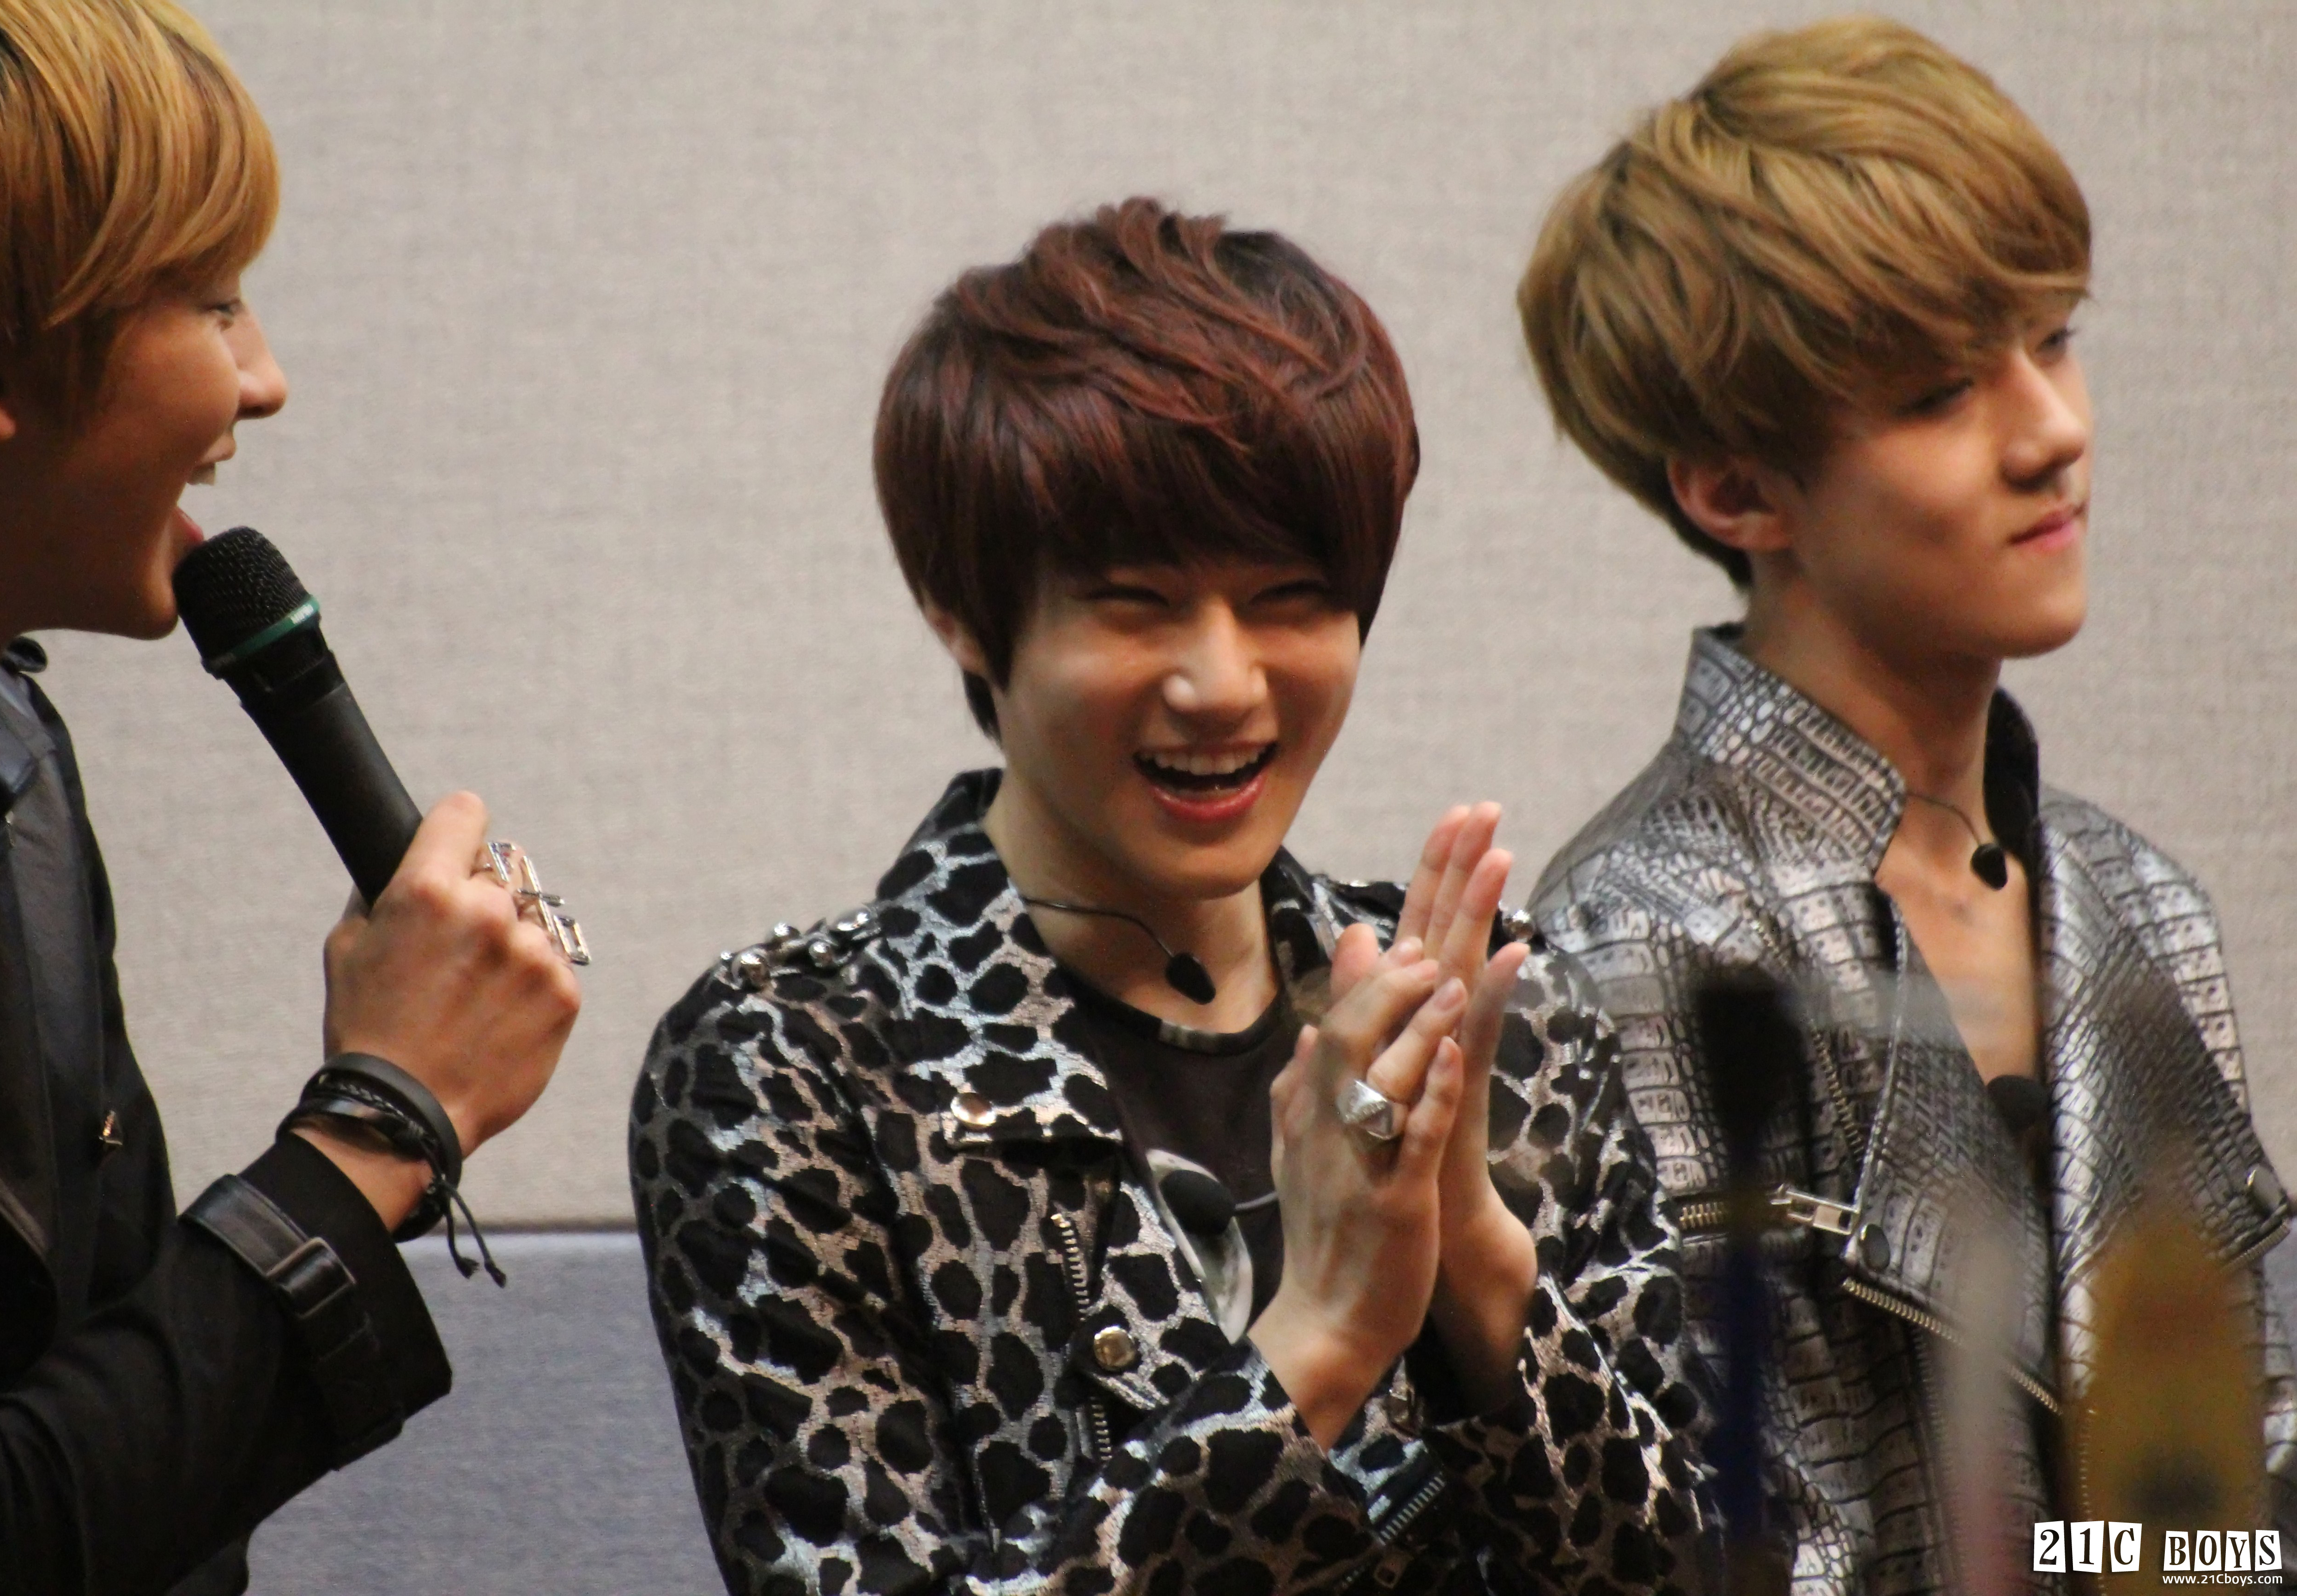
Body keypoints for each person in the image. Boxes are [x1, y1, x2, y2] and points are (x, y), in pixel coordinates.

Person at [632, 197, 1705, 1596]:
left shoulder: (1500, 1010)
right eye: (1134, 603)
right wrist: (1318, 1343)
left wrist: (1479, 1266)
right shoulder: (794, 1065)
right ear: (959, 609)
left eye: (1291, 596)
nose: (1223, 684)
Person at [1517, 15, 2294, 1591]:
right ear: (1737, 489)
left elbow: (2228, 1492)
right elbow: (1763, 1553)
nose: (2055, 431)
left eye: (2054, 339)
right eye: (1944, 392)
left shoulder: (2137, 901)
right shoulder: (1643, 941)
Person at [0, 3, 582, 1591]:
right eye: (212, 301)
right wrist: (379, 1127)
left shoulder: (6, 757)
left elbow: (126, 1472)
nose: (263, 381)